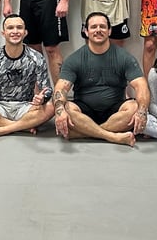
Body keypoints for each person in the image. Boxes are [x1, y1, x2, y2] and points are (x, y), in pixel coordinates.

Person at [52, 12, 149, 147]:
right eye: (93, 27)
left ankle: (84, 133)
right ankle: (112, 136)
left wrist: (142, 111)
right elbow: (60, 88)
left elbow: (141, 86)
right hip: (84, 111)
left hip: (115, 111)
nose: (98, 30)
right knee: (66, 108)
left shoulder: (124, 57)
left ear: (109, 31)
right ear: (86, 32)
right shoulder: (74, 59)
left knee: (134, 107)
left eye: (102, 27)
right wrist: (60, 110)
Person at [0, 14, 54, 139]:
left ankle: (3, 129)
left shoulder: (36, 58)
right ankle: (22, 127)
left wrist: (42, 98)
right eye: (10, 28)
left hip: (26, 107)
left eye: (19, 27)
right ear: (3, 33)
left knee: (50, 107)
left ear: (25, 32)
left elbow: (47, 90)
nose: (15, 31)